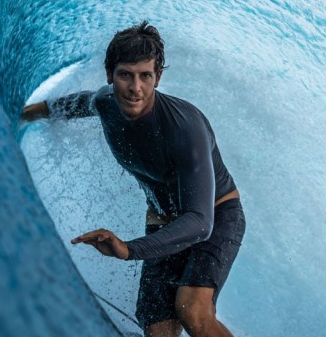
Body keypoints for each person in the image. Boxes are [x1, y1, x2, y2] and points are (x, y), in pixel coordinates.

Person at [21, 21, 245, 337]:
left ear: (158, 77)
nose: (135, 87)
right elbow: (73, 105)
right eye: (125, 74)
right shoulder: (105, 102)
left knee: (192, 309)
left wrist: (129, 249)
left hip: (216, 216)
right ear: (110, 75)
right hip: (164, 222)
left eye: (145, 76)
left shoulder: (185, 128)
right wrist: (23, 112)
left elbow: (200, 221)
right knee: (158, 331)